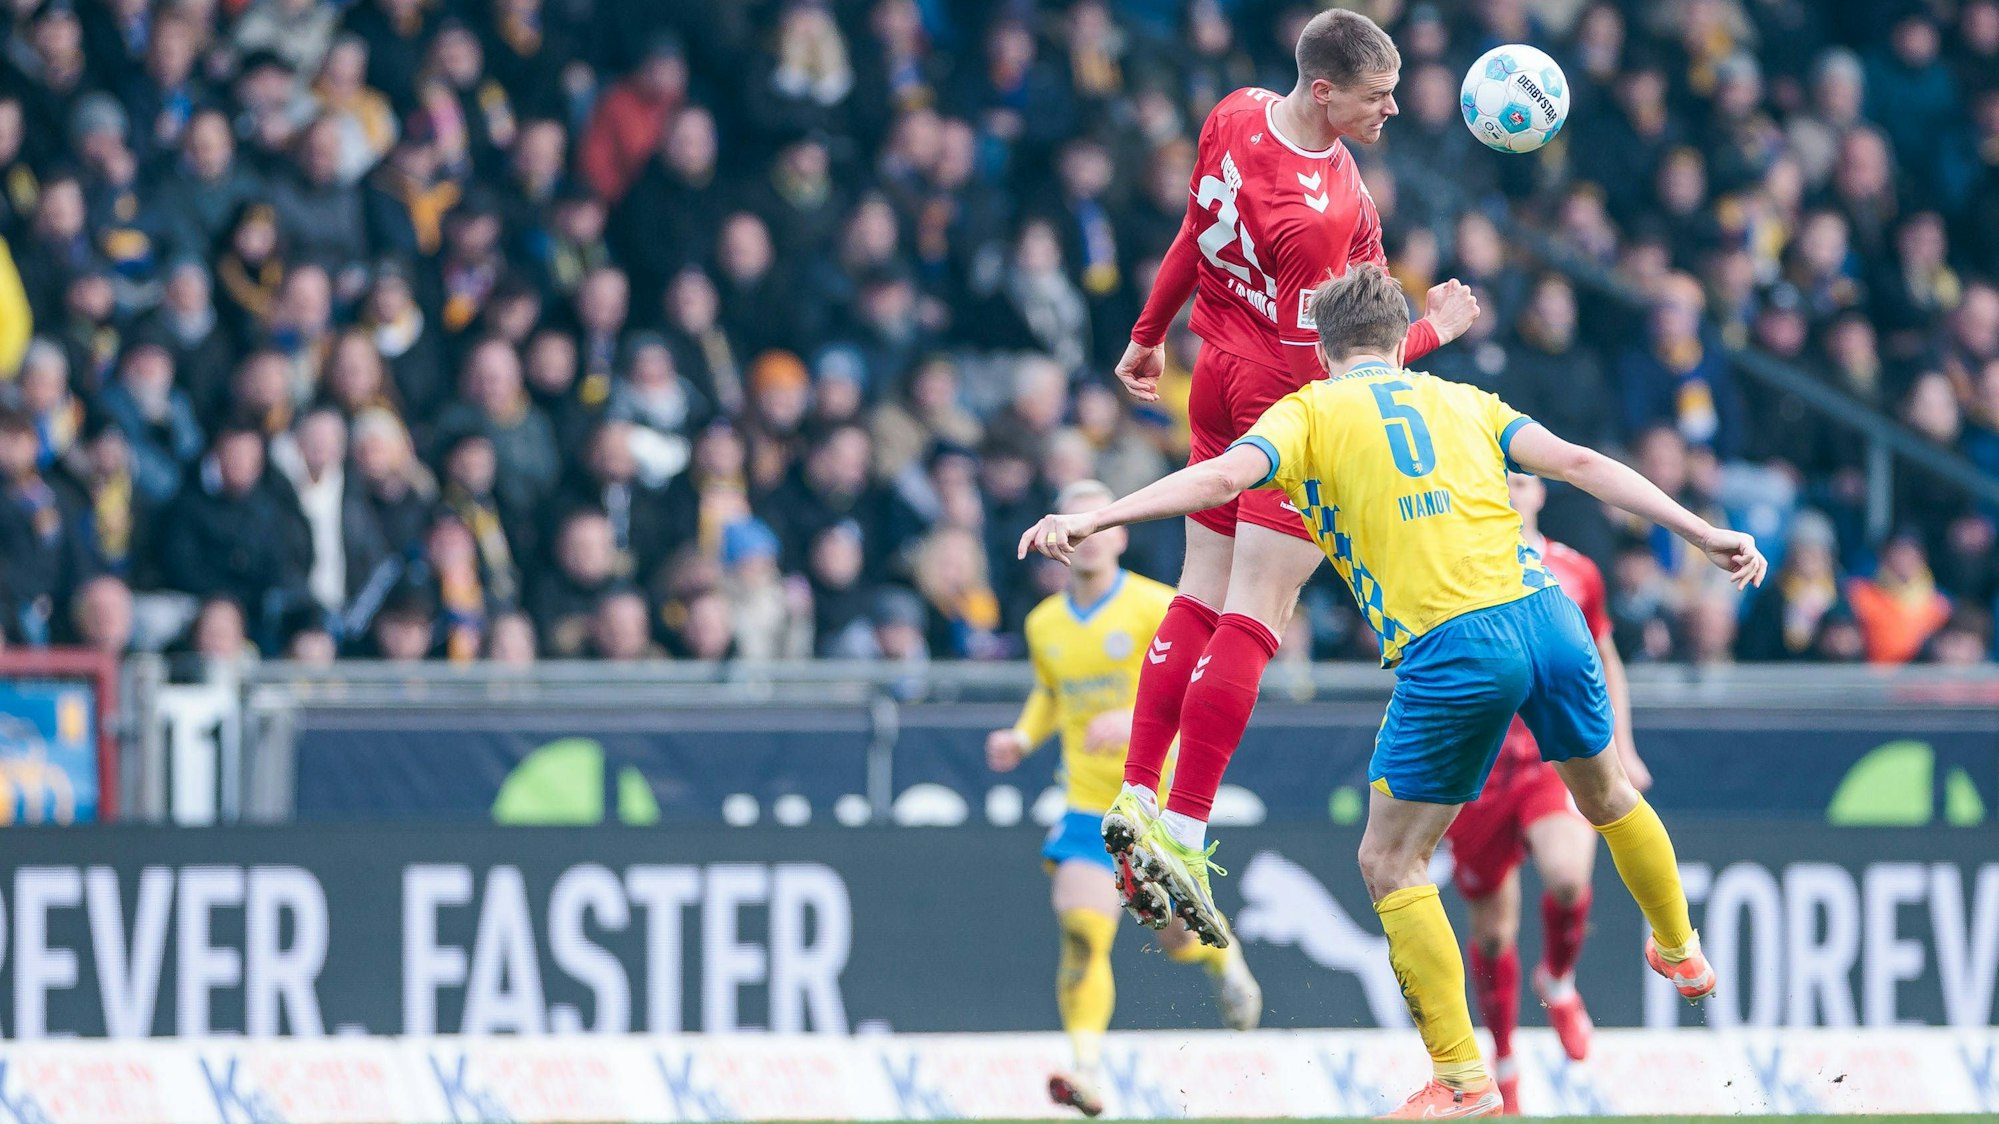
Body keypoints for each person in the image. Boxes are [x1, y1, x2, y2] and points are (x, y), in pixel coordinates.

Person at [1021, 264, 1765, 1119]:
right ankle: (1679, 948)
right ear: (1398, 334)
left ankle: (1461, 1079)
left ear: (1323, 346)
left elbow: (1221, 481)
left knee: (1389, 860)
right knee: (1605, 795)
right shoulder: (1462, 399)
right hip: (1546, 614)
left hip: (1455, 644)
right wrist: (1702, 531)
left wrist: (1097, 516)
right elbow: (1580, 462)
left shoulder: (1307, 410)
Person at [1098, 9, 1478, 932]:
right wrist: (1438, 330)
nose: (1391, 110)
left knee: (1198, 587)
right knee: (1255, 612)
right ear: (1323, 91)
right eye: (1376, 96)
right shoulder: (1310, 216)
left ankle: (1140, 793)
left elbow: (1193, 232)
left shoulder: (1231, 111)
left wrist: (1147, 337)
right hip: (1282, 398)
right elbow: (1343, 366)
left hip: (1214, 373)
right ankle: (1185, 826)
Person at [987, 479, 1261, 1118]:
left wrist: (1130, 712)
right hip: (1087, 806)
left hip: (1150, 803)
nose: (1087, 533)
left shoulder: (1157, 605)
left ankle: (1226, 965)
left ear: (1119, 534)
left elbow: (1196, 683)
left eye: (1099, 520)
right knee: (1082, 928)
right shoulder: (1043, 623)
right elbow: (1051, 695)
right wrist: (1022, 739)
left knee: (1171, 938)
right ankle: (1085, 1067)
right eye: (1074, 520)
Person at [1443, 471, 1650, 1115]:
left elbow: (1605, 657)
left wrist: (1622, 746)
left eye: (1521, 480)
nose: (1508, 490)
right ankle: (1503, 1061)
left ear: (1539, 495)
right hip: (1476, 768)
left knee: (1567, 875)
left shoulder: (1576, 572)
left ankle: (1558, 980)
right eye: (1496, 481)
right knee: (1494, 930)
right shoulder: (1452, 565)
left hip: (1548, 758)